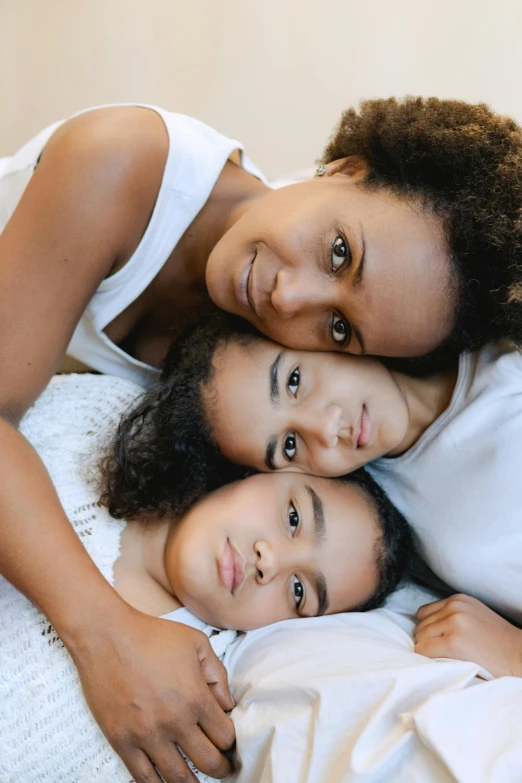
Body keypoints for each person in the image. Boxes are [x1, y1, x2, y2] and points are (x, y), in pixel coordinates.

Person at [2, 96, 522, 779]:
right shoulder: (121, 159)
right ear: (345, 167)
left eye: (340, 330)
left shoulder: (292, 389)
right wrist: (107, 636)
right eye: (340, 251)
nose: (288, 297)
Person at [0, 372, 411, 782]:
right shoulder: (113, 420)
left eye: (299, 591)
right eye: (293, 518)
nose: (270, 562)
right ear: (260, 470)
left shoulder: (188, 710)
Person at [107, 314, 522, 680]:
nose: (326, 428)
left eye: (293, 381)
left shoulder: (502, 355)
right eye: (288, 446)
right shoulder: (367, 516)